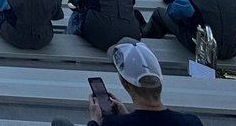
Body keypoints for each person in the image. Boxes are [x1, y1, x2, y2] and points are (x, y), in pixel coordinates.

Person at [52, 39, 205, 126]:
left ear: (124, 82)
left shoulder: (113, 124)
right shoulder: (192, 122)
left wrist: (95, 121)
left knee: (59, 122)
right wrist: (126, 115)